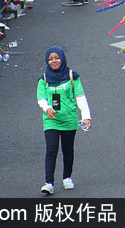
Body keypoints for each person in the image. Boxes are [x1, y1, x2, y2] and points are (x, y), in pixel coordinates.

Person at [37, 46, 91, 195]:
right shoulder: (44, 79)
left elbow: (80, 96)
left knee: (67, 150)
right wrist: (46, 107)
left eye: (57, 58)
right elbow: (41, 98)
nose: (54, 61)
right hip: (51, 120)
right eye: (50, 59)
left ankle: (67, 177)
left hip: (69, 119)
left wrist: (86, 116)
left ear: (62, 58)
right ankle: (49, 182)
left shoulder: (72, 76)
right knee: (51, 150)